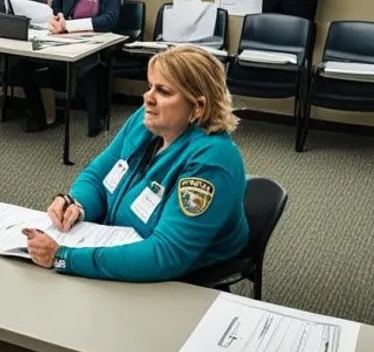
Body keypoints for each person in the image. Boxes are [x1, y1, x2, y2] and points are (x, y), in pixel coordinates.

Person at [22, 46, 248, 282]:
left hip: (178, 278)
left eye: (163, 91)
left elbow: (166, 255)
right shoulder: (146, 121)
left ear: (198, 107)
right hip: (115, 246)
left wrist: (64, 257)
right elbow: (97, 176)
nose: (148, 98)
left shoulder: (212, 161)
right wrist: (77, 204)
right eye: (150, 86)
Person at [16, 0, 122, 137]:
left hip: (92, 46)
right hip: (60, 40)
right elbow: (56, 7)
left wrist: (70, 26)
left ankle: (94, 123)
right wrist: (56, 20)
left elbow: (109, 19)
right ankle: (41, 116)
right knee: (24, 64)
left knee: (91, 69)